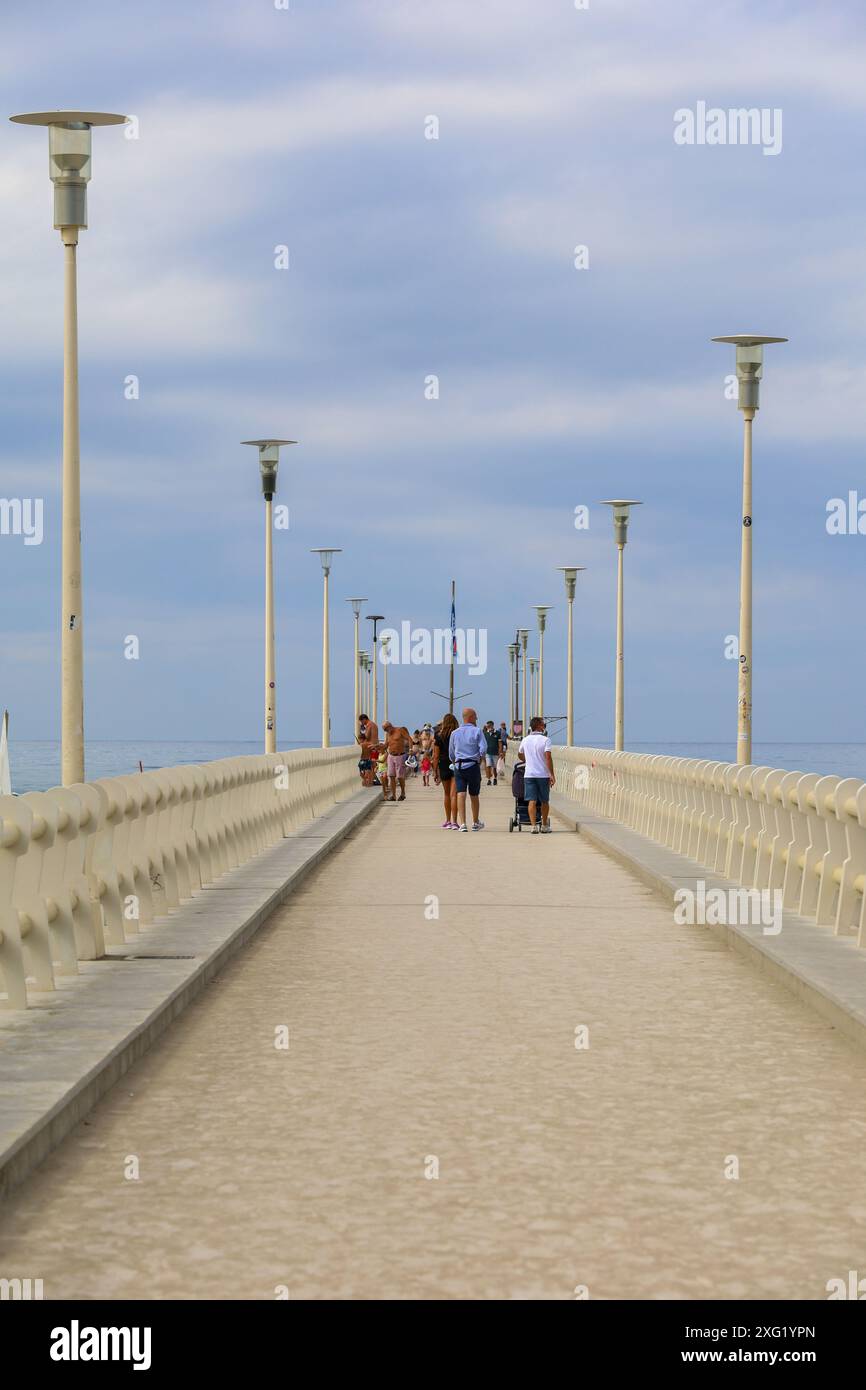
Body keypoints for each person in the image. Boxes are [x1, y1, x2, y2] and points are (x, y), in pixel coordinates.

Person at [448, 707, 487, 832]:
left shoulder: (455, 733)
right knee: (474, 794)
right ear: (470, 717)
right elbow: (483, 748)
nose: (476, 719)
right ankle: (475, 822)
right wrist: (480, 758)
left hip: (459, 766)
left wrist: (455, 762)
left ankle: (463, 823)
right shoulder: (477, 731)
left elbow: (451, 753)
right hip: (473, 765)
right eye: (475, 716)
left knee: (461, 793)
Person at [518, 716, 556, 834]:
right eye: (543, 724)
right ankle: (544, 825)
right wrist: (552, 774)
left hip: (529, 774)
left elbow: (520, 754)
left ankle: (533, 826)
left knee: (532, 800)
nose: (544, 726)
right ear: (539, 726)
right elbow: (548, 757)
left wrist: (527, 760)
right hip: (543, 775)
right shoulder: (545, 740)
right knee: (544, 801)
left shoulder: (525, 739)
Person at [433, 712, 459, 828]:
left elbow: (435, 756)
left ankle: (448, 820)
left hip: (443, 764)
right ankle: (455, 822)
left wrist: (435, 771)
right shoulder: (458, 734)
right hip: (456, 763)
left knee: (446, 794)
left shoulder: (438, 735)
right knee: (454, 795)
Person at [382, 720, 413, 802]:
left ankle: (403, 793)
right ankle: (393, 795)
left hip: (400, 756)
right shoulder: (387, 734)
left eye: (386, 729)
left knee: (399, 776)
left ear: (390, 726)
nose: (386, 731)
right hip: (390, 756)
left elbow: (409, 739)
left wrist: (410, 749)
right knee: (391, 775)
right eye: (384, 730)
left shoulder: (400, 730)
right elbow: (385, 745)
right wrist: (377, 746)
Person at [357, 713, 380, 789]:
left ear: (364, 719)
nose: (362, 723)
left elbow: (366, 736)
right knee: (373, 766)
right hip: (376, 747)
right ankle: (370, 782)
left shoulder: (370, 725)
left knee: (370, 766)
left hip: (371, 747)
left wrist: (362, 731)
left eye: (361, 721)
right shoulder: (374, 725)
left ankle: (369, 783)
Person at [482, 720, 501, 786]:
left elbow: (500, 743)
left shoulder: (497, 733)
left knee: (495, 767)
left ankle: (495, 778)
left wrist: (500, 752)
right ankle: (489, 780)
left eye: (489, 726)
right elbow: (483, 744)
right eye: (487, 726)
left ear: (492, 725)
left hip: (495, 753)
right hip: (487, 753)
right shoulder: (485, 734)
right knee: (488, 766)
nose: (488, 727)